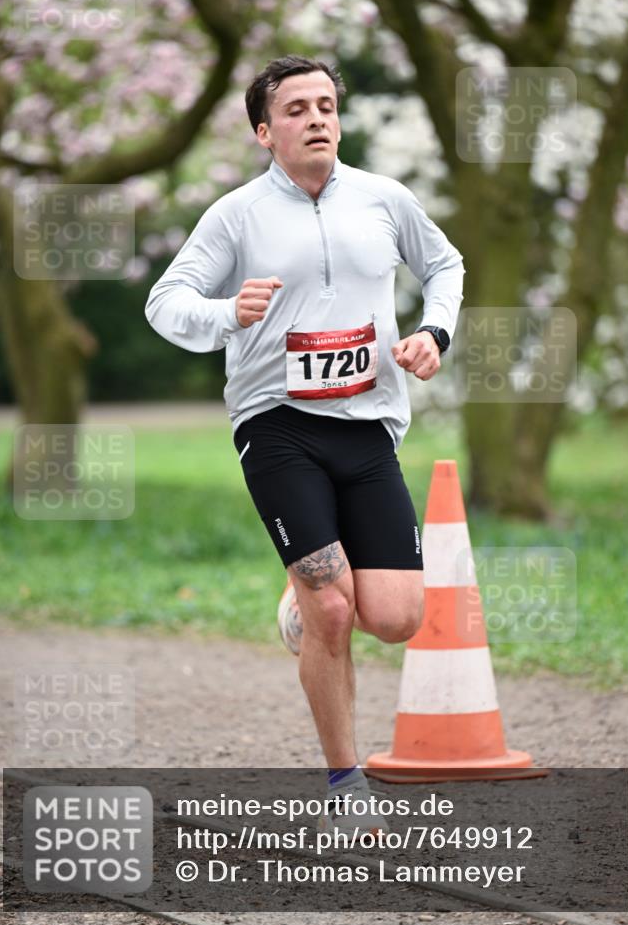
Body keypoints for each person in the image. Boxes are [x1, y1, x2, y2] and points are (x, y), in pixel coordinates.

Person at [145, 55, 464, 835]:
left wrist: (434, 330)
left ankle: (301, 582)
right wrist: (227, 313)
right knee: (332, 607)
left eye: (325, 105)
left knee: (393, 616)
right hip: (276, 421)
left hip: (368, 425)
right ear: (264, 131)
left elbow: (444, 264)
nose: (316, 118)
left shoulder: (384, 200)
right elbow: (166, 302)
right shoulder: (236, 216)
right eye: (295, 109)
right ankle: (345, 785)